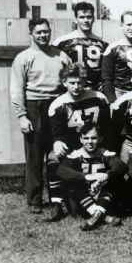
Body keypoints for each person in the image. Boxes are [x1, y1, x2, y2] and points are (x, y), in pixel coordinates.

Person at [10, 18, 72, 213]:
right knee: (35, 156)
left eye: (46, 32)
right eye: (39, 32)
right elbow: (16, 89)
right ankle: (34, 201)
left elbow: (71, 80)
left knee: (59, 153)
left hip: (57, 105)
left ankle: (59, 198)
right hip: (34, 106)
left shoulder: (61, 55)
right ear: (31, 33)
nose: (43, 35)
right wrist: (22, 116)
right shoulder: (23, 57)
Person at [45, 63, 111, 221]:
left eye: (79, 82)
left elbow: (108, 129)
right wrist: (57, 142)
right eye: (72, 82)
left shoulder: (99, 98)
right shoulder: (57, 104)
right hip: (73, 147)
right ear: (64, 82)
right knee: (52, 158)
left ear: (85, 81)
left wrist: (106, 148)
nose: (76, 86)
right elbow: (57, 133)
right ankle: (57, 203)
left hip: (95, 145)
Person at [56, 123, 126, 231]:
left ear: (100, 139)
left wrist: (105, 176)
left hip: (102, 197)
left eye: (93, 138)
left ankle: (96, 215)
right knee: (71, 182)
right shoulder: (75, 155)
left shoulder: (106, 154)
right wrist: (87, 177)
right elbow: (61, 170)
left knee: (115, 180)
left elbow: (121, 166)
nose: (89, 142)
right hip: (83, 200)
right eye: (86, 138)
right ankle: (101, 215)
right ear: (81, 139)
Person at [53, 1, 108, 91]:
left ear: (93, 18)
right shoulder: (61, 42)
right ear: (75, 19)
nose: (85, 21)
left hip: (95, 91)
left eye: (89, 17)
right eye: (82, 17)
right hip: (72, 90)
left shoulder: (103, 43)